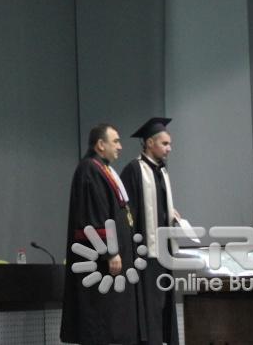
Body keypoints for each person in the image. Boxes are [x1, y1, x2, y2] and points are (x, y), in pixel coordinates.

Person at [61, 124, 143, 345]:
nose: (120, 146)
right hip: (99, 264)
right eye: (115, 141)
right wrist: (110, 251)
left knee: (114, 322)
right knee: (100, 323)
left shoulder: (104, 169)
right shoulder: (90, 169)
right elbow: (95, 214)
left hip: (112, 262)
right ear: (100, 144)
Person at [120, 117, 180, 345]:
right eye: (165, 143)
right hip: (144, 255)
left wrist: (169, 212)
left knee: (164, 304)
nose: (169, 148)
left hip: (163, 253)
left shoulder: (162, 172)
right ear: (149, 143)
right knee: (149, 308)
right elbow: (127, 214)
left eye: (169, 144)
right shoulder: (134, 171)